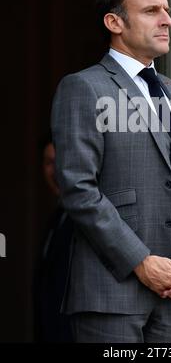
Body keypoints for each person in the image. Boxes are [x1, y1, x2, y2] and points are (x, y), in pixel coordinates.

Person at [51, 0, 171, 343]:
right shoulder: (82, 87)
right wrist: (141, 262)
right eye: (152, 10)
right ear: (114, 22)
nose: (167, 20)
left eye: (167, 10)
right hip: (110, 297)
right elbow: (78, 189)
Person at [33, 138, 73, 342]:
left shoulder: (85, 221)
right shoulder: (56, 218)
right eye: (49, 162)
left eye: (59, 161)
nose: (55, 170)